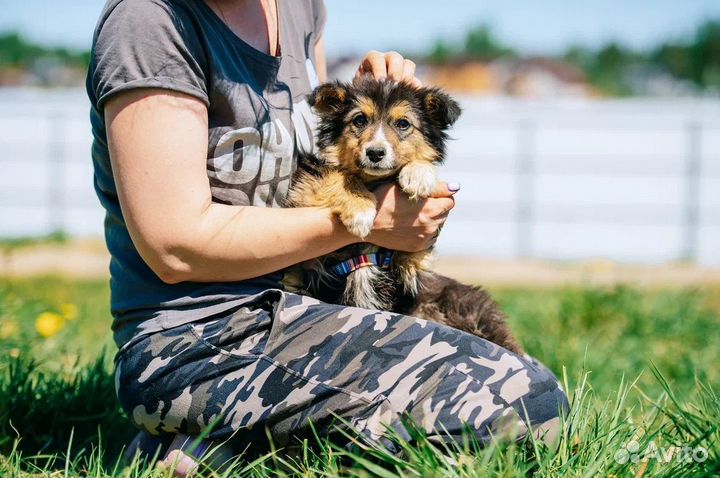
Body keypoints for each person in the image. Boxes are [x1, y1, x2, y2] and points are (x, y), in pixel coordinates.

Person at [87, 0, 568, 472]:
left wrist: (363, 98)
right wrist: (368, 223)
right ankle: (215, 437)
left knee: (535, 383)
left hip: (304, 301)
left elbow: (321, 151)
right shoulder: (149, 22)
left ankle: (231, 444)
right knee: (528, 409)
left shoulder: (299, 6)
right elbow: (176, 247)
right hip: (198, 336)